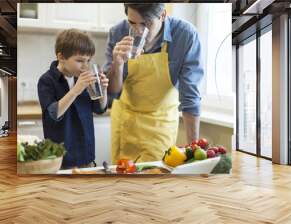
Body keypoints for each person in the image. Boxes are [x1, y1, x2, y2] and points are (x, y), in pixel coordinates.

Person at [103, 3, 204, 163]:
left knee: (155, 179)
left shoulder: (185, 35)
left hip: (160, 123)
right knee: (123, 179)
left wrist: (195, 153)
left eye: (146, 23)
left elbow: (190, 98)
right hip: (126, 121)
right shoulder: (118, 32)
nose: (138, 30)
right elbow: (113, 90)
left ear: (163, 15)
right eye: (132, 23)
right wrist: (117, 63)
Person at [38, 29, 109, 169]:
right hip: (60, 160)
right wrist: (76, 90)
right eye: (79, 60)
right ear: (61, 57)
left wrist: (103, 90)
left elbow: (100, 109)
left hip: (86, 155)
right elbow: (52, 115)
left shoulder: (83, 77)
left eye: (88, 60)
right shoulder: (46, 80)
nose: (85, 66)